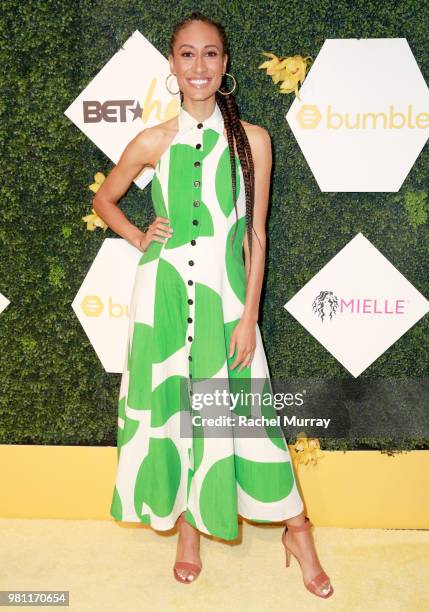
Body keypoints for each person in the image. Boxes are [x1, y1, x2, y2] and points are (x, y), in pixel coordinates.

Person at [93, 11, 333, 599]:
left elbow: (256, 236)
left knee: (248, 419)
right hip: (165, 301)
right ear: (172, 65)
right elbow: (106, 198)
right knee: (174, 416)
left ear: (224, 64)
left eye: (210, 54)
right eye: (186, 54)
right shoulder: (155, 139)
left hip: (227, 306)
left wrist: (249, 316)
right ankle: (188, 532)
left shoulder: (254, 140)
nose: (198, 65)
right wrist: (138, 234)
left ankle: (297, 531)